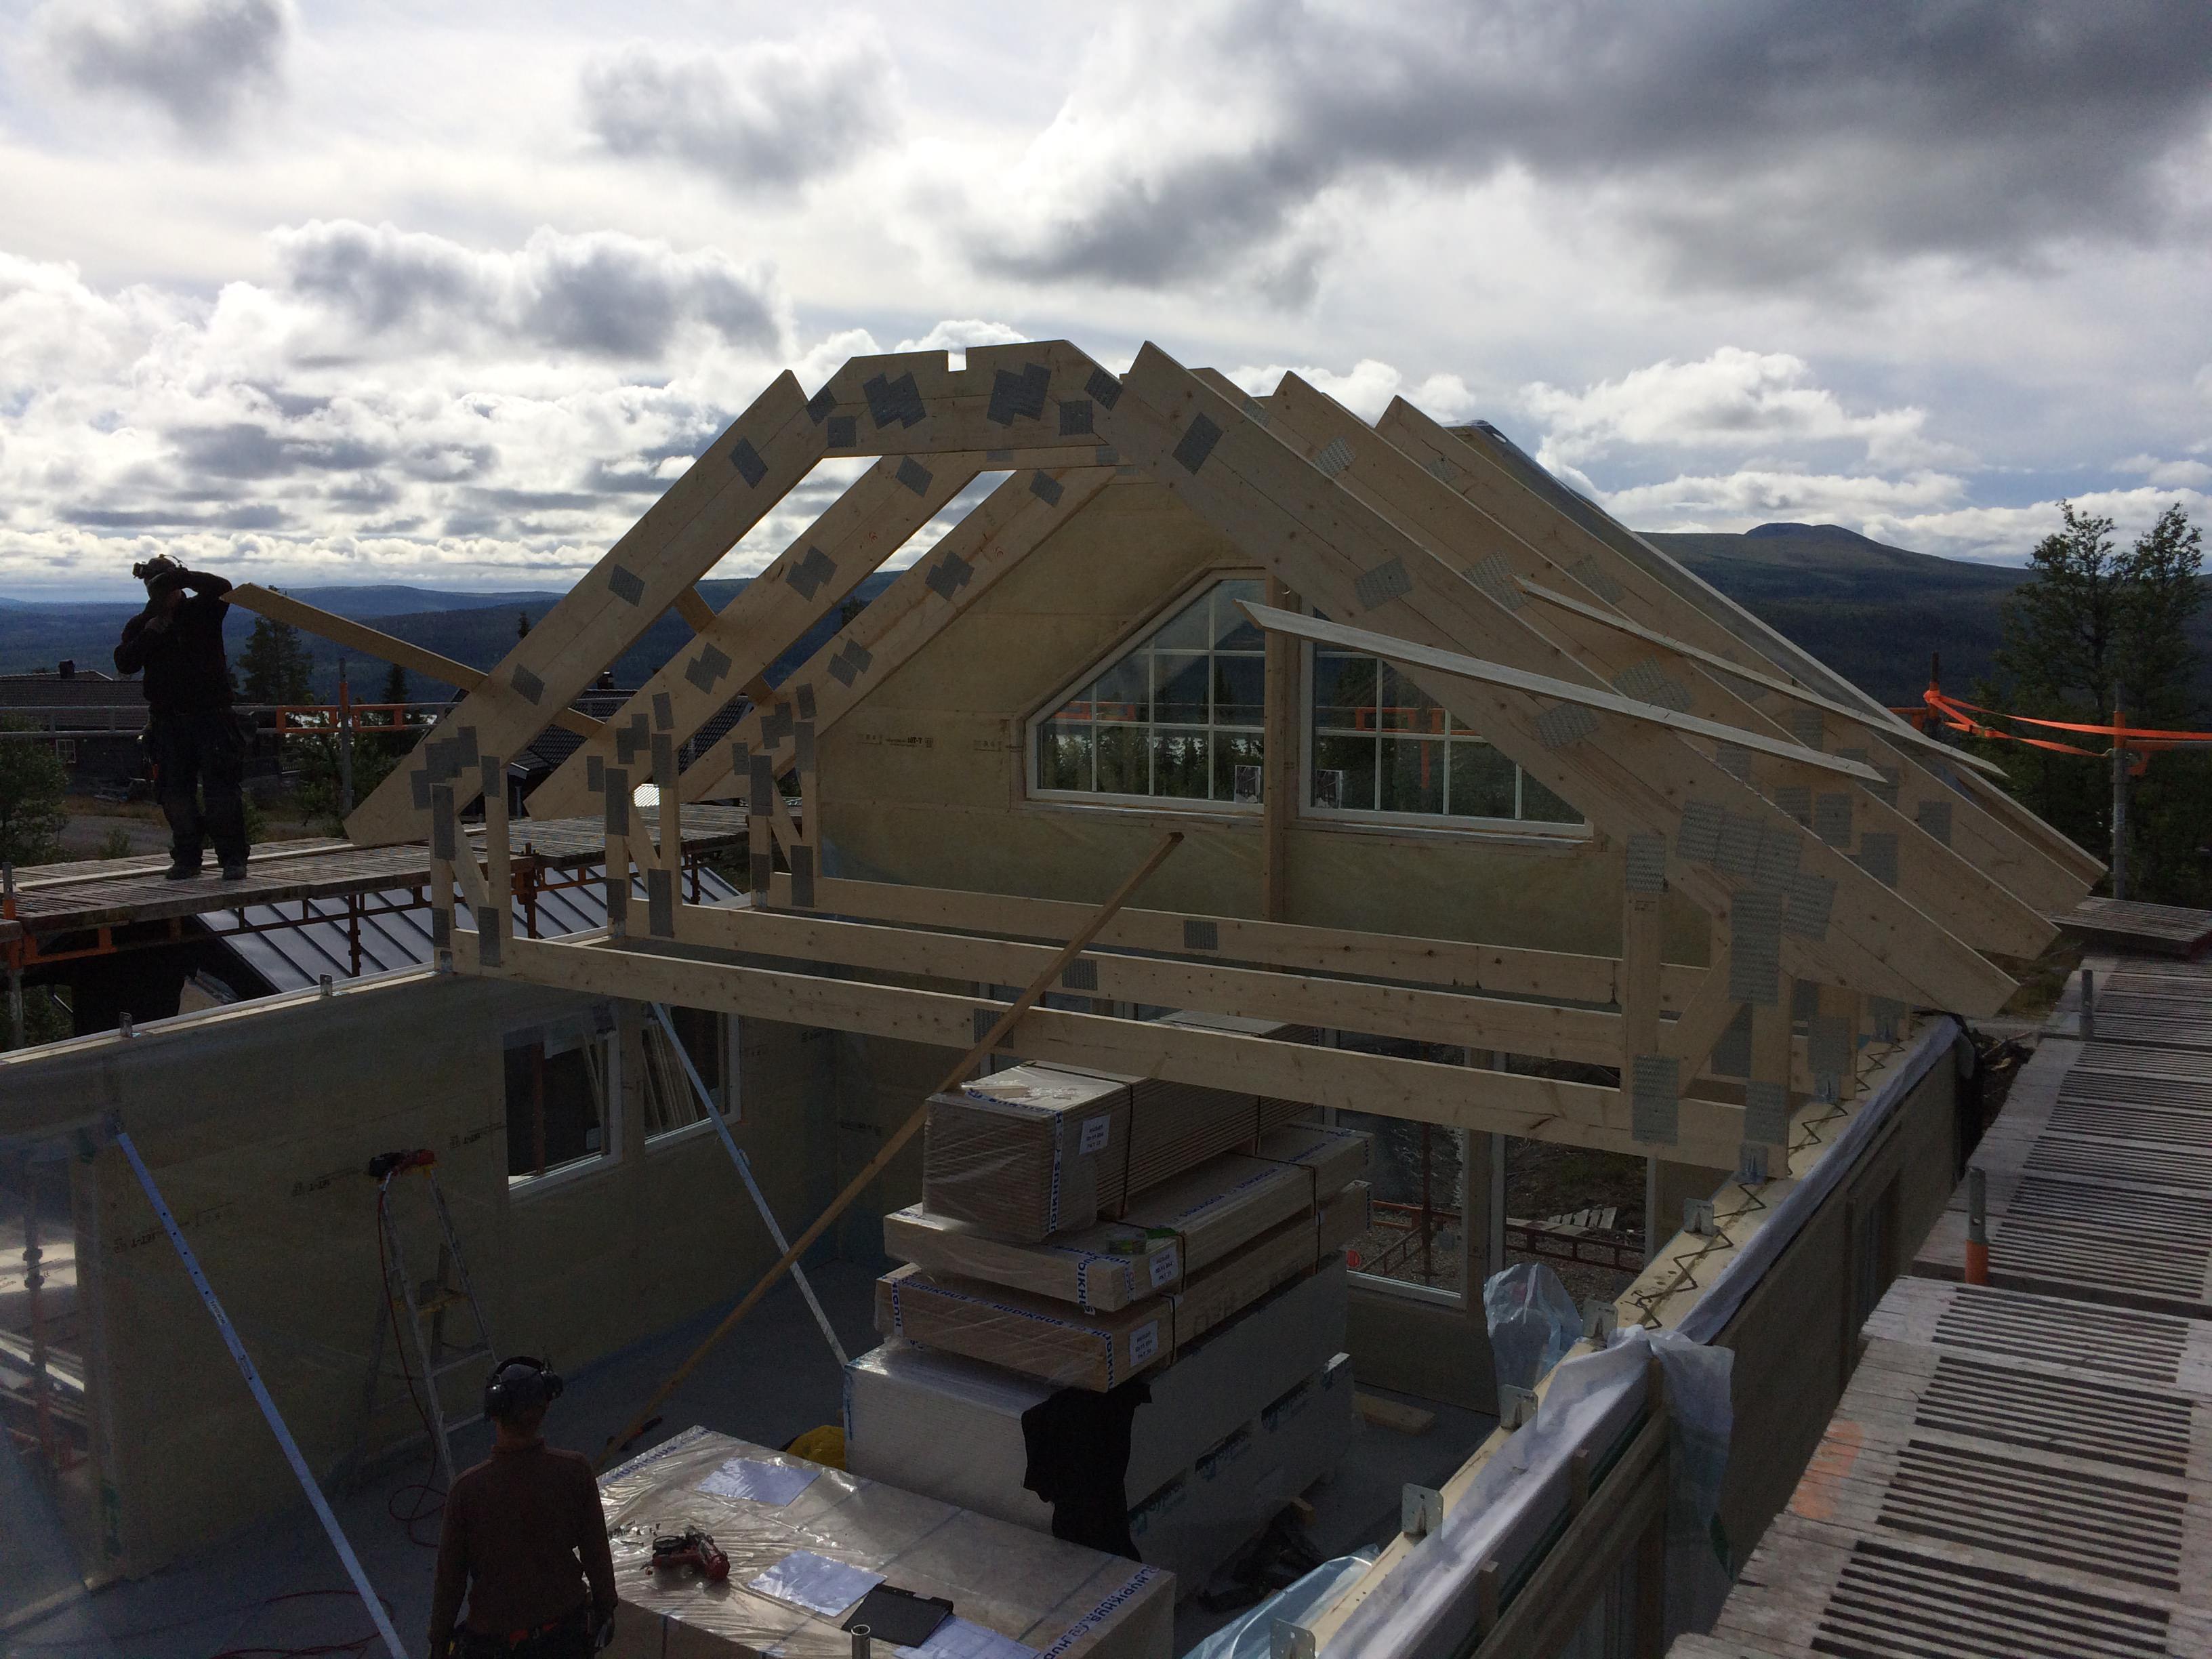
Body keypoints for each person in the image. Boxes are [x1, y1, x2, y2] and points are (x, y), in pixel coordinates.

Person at [428, 1357, 618, 1659]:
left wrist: (439, 1643)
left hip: (496, 1643)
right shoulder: (574, 1471)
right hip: (566, 1634)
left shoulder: (467, 1490)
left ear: (494, 1413)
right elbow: (596, 1552)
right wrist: (605, 1608)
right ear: (545, 1408)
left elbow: (450, 1582)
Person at [112, 556, 249, 880]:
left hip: (212, 716)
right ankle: (187, 859)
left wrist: (182, 576)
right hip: (169, 721)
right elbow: (125, 663)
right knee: (175, 796)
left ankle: (232, 859)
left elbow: (223, 587)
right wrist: (149, 634)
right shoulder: (142, 624)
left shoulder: (202, 610)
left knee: (221, 793)